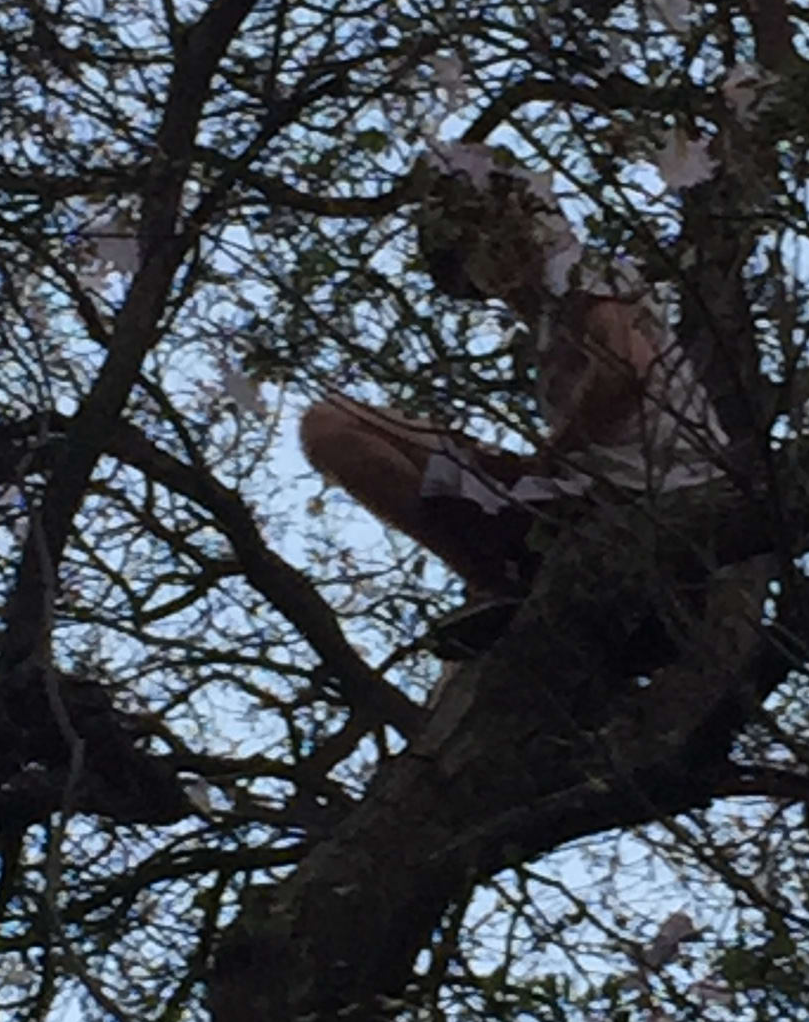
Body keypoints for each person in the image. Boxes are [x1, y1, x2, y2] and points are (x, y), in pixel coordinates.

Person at [299, 147, 723, 651]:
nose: (495, 277)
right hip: (585, 504)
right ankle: (502, 583)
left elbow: (623, 371)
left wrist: (546, 459)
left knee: (334, 424)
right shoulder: (550, 328)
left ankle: (504, 584)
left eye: (496, 242)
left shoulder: (586, 277)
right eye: (476, 261)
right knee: (333, 428)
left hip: (643, 508)